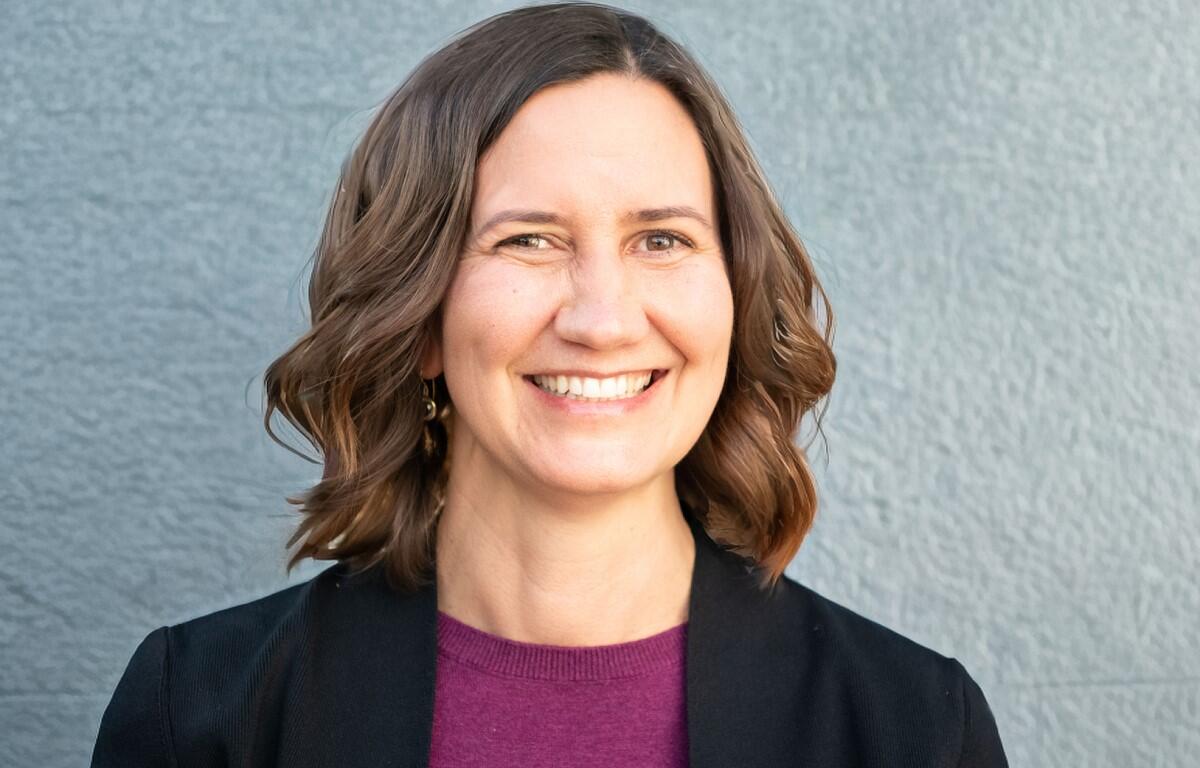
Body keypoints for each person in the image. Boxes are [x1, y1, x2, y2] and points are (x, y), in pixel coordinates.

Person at [91, 3, 1009, 766]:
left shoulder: (915, 730)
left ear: (732, 297)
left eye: (662, 240)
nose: (602, 319)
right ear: (419, 320)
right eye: (528, 239)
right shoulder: (204, 719)